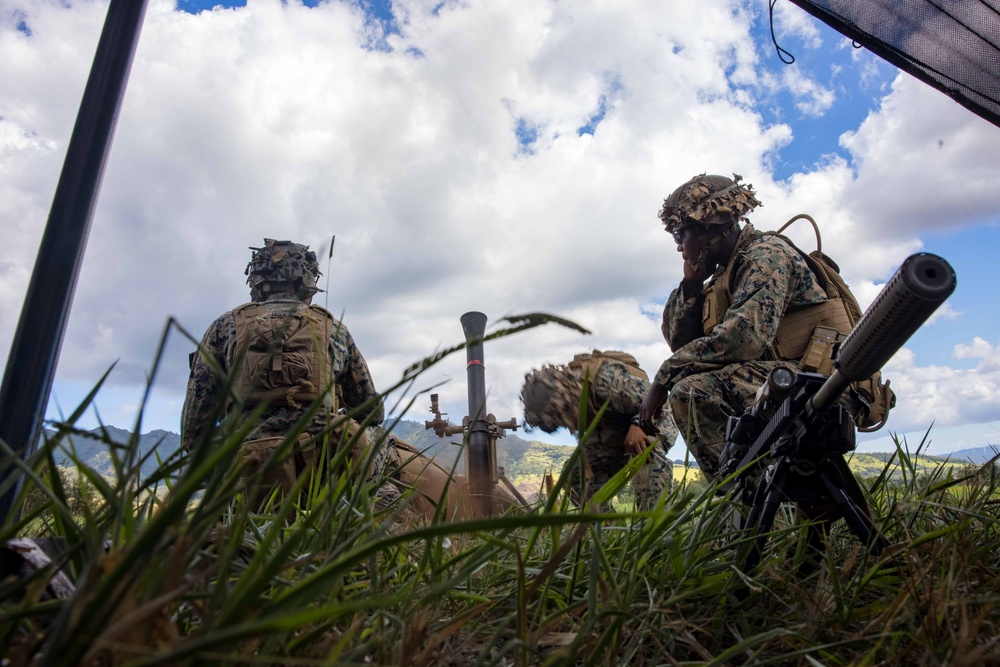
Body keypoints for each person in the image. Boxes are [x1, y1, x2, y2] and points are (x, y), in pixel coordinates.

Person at [181, 238, 387, 507]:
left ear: (255, 281)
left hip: (248, 466)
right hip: (322, 460)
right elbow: (372, 410)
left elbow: (194, 427)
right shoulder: (334, 329)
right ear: (306, 281)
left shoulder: (224, 327)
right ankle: (358, 513)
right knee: (378, 437)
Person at [520, 350, 678, 509]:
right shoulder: (572, 399)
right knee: (573, 476)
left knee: (644, 449)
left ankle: (656, 523)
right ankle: (607, 528)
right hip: (616, 437)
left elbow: (659, 401)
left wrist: (639, 424)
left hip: (656, 418)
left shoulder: (605, 381)